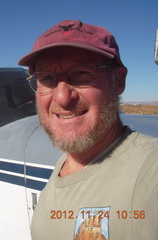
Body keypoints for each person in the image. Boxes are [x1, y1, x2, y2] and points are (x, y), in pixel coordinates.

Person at [18, 20, 158, 240]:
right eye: (46, 78)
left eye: (82, 73)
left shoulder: (150, 170)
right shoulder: (64, 164)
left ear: (118, 81)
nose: (62, 98)